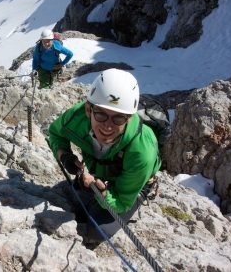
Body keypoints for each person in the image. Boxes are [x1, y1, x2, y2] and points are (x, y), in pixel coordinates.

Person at [47, 69, 161, 246]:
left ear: (129, 119)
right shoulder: (77, 118)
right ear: (88, 110)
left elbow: (121, 201)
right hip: (98, 172)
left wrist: (104, 195)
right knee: (74, 206)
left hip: (126, 185)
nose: (108, 126)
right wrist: (65, 156)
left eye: (118, 119)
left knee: (94, 232)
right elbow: (55, 133)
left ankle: (141, 193)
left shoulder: (141, 151)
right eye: (101, 114)